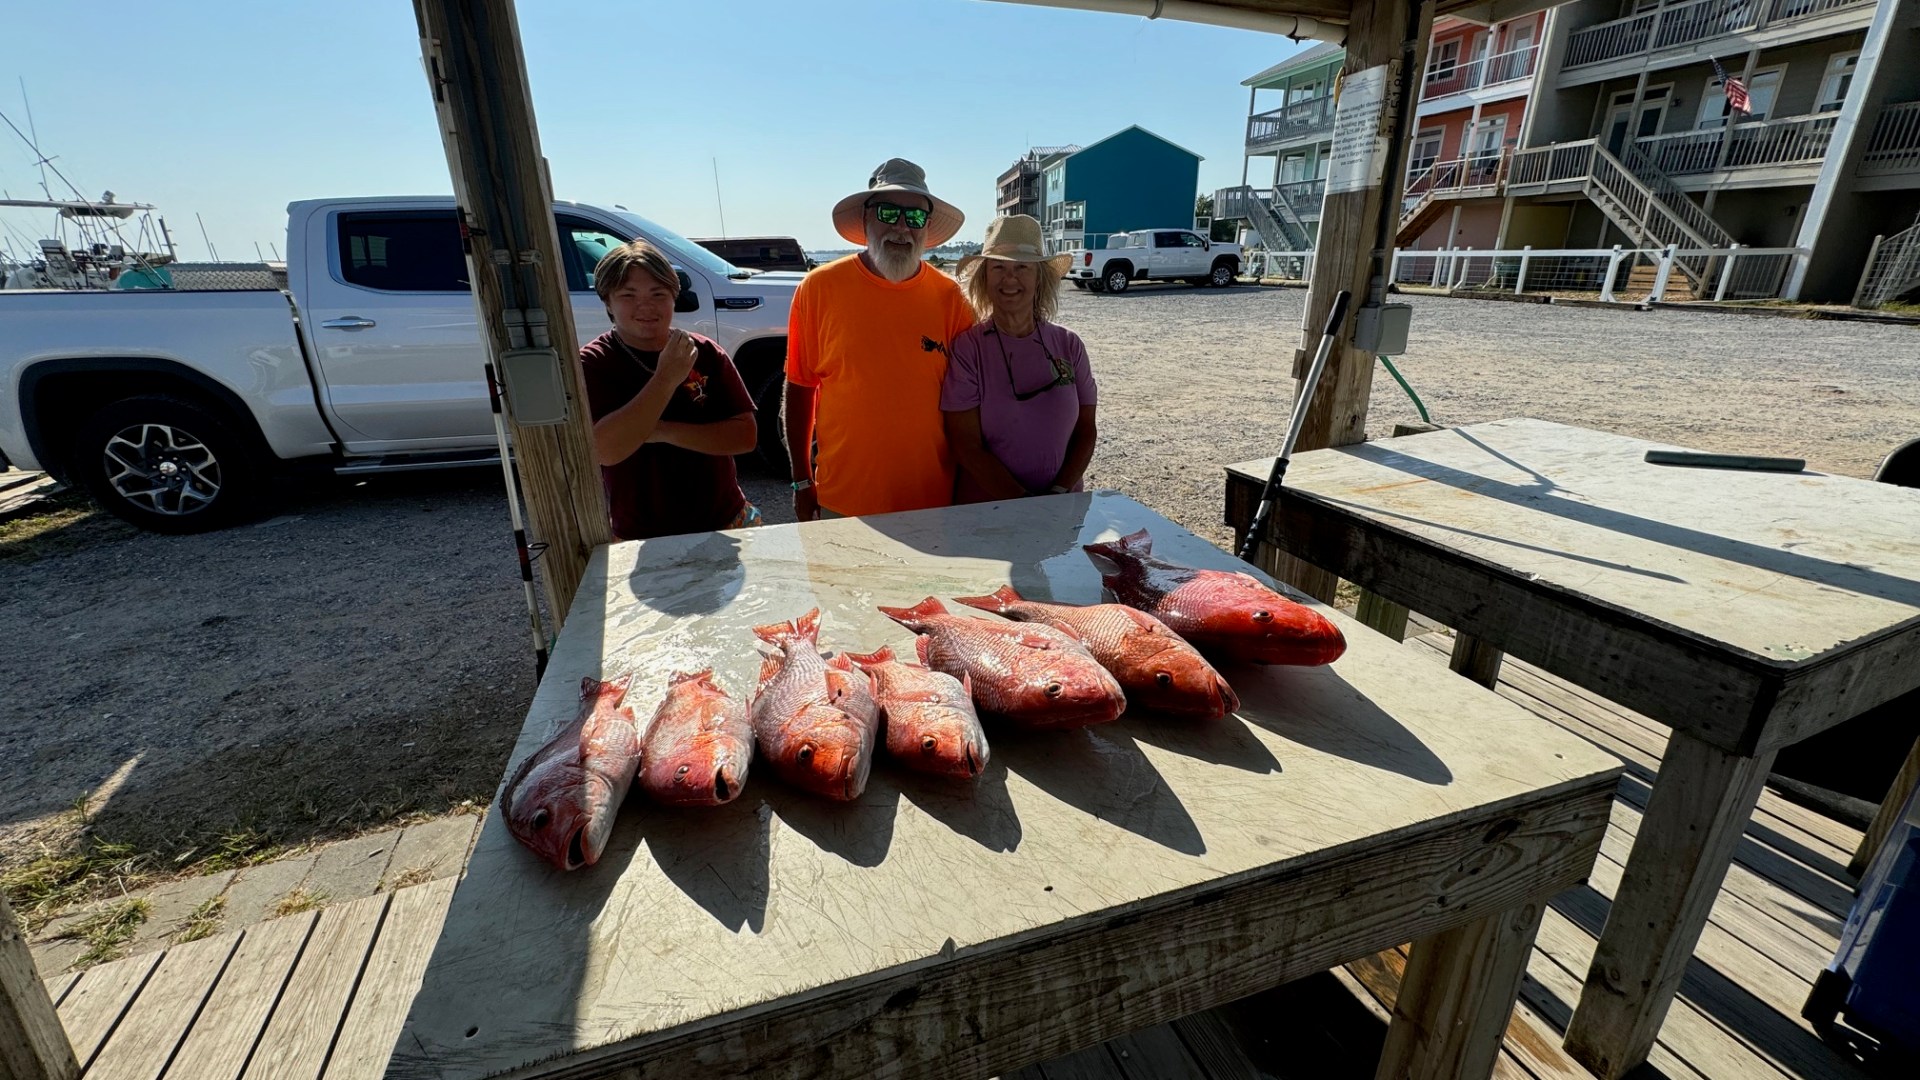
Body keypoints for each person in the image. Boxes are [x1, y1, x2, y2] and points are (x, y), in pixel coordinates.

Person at [785, 158, 976, 519]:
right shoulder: (818, 288)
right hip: (843, 501)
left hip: (931, 503)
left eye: (915, 217)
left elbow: (969, 405)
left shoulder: (951, 298)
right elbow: (799, 387)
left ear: (927, 226)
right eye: (888, 212)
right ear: (865, 219)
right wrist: (801, 480)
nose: (902, 227)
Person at [577, 239, 759, 540]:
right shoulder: (593, 363)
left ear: (674, 298)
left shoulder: (704, 352)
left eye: (658, 294)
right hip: (640, 535)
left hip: (727, 522)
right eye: (628, 295)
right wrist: (666, 378)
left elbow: (744, 437)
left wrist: (658, 431)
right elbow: (606, 450)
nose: (645, 306)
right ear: (608, 302)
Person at [941, 214, 1098, 503]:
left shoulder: (1069, 345)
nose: (1009, 278)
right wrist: (1025, 504)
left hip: (1062, 507)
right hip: (987, 514)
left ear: (1039, 278)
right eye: (998, 267)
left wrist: (1058, 493)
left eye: (1022, 267)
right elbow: (966, 446)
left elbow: (1086, 430)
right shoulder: (968, 350)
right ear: (984, 278)